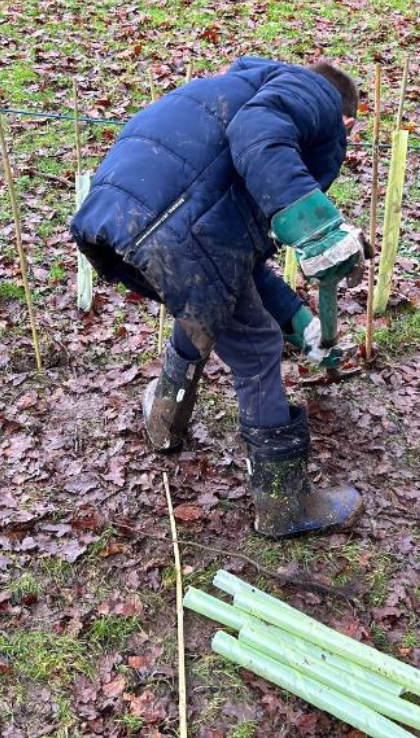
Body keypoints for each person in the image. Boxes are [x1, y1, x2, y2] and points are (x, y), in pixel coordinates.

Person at [71, 58, 365, 538]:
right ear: (346, 120)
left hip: (118, 215)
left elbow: (233, 261)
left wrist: (299, 320)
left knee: (204, 298)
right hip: (174, 221)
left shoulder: (238, 89)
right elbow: (259, 130)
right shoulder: (317, 97)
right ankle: (283, 502)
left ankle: (164, 420)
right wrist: (315, 227)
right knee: (256, 351)